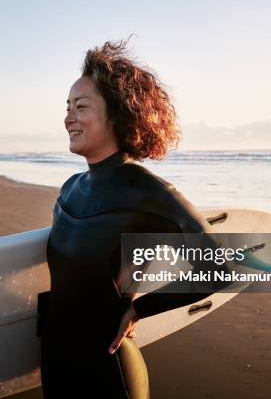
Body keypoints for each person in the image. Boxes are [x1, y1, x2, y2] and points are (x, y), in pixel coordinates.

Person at [39, 38, 229, 398]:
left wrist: (142, 307)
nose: (68, 118)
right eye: (67, 107)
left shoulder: (151, 193)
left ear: (118, 112)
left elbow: (219, 269)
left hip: (107, 371)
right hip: (56, 363)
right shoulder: (69, 189)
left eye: (81, 106)